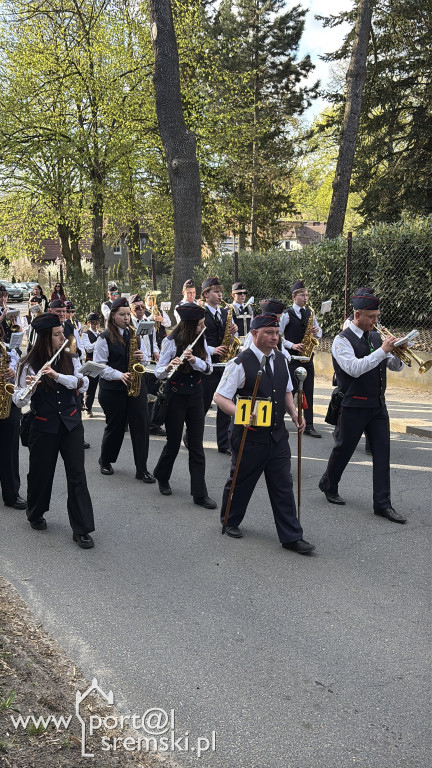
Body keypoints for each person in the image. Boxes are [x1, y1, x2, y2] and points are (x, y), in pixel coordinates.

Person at [214, 313, 315, 554]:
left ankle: (291, 536)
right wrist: (240, 411)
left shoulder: (281, 359)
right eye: (269, 333)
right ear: (254, 334)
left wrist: (294, 414)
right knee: (241, 480)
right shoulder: (239, 363)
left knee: (283, 484)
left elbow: (288, 392)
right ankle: (229, 519)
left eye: (277, 333)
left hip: (277, 435)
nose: (274, 337)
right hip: (248, 434)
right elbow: (220, 397)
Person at [319, 289, 406, 523]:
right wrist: (383, 351)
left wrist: (399, 353)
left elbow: (394, 367)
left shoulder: (376, 337)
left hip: (378, 405)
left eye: (377, 316)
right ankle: (328, 482)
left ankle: (382, 504)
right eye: (371, 317)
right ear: (357, 314)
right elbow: (354, 368)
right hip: (354, 404)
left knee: (382, 454)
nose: (376, 321)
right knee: (343, 449)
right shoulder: (341, 340)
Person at [13, 313, 95, 548]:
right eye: (57, 335)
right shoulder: (27, 363)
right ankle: (35, 511)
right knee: (41, 472)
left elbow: (83, 383)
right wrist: (29, 389)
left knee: (77, 474)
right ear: (45, 338)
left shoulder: (71, 357)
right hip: (43, 424)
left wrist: (57, 376)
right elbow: (18, 401)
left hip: (71, 424)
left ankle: (82, 528)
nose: (63, 338)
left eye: (62, 333)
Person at [153, 302, 217, 508]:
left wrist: (195, 361)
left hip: (196, 396)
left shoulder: (202, 339)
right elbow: (158, 371)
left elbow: (209, 369)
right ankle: (162, 476)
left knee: (196, 446)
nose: (202, 327)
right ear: (189, 326)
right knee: (173, 443)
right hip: (175, 397)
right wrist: (170, 365)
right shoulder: (170, 342)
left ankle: (199, 494)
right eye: (199, 325)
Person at [93, 297, 155, 483]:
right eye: (122, 315)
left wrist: (142, 357)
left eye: (128, 314)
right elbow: (99, 366)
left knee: (141, 427)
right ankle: (105, 460)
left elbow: (146, 360)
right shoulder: (104, 338)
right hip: (113, 389)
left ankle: (142, 469)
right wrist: (119, 375)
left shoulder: (135, 335)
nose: (127, 318)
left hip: (136, 385)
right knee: (116, 427)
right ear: (112, 316)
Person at [199, 276, 238, 455]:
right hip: (209, 362)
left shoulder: (224, 312)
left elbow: (229, 340)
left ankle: (223, 443)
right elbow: (198, 341)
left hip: (225, 363)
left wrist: (231, 334)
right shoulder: (201, 314)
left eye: (220, 291)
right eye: (216, 291)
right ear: (206, 294)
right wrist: (214, 350)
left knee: (224, 402)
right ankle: (192, 436)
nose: (220, 294)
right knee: (204, 403)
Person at [279, 279, 322, 438]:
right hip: (294, 358)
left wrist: (316, 331)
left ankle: (309, 424)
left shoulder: (310, 313)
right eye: (302, 295)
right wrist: (292, 345)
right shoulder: (286, 314)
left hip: (307, 358)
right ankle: (278, 422)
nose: (305, 298)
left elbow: (320, 334)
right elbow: (278, 336)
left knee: (308, 391)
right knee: (290, 390)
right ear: (293, 297)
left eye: (307, 295)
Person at [129, 294, 165, 437]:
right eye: (137, 307)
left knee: (152, 394)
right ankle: (134, 421)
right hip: (135, 363)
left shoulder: (148, 322)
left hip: (149, 362)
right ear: (131, 309)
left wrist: (156, 352)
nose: (141, 310)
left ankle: (151, 424)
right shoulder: (129, 324)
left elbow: (154, 342)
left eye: (143, 307)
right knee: (137, 394)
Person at [0, 323, 26, 511]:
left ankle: (11, 494)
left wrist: (12, 373)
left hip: (7, 403)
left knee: (9, 450)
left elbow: (22, 376)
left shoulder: (8, 350)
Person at [81, 312, 101, 417]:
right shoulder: (85, 334)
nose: (96, 325)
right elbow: (88, 348)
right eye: (93, 323)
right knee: (91, 387)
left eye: (97, 322)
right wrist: (99, 339)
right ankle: (87, 408)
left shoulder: (100, 334)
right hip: (91, 362)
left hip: (101, 362)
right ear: (89, 323)